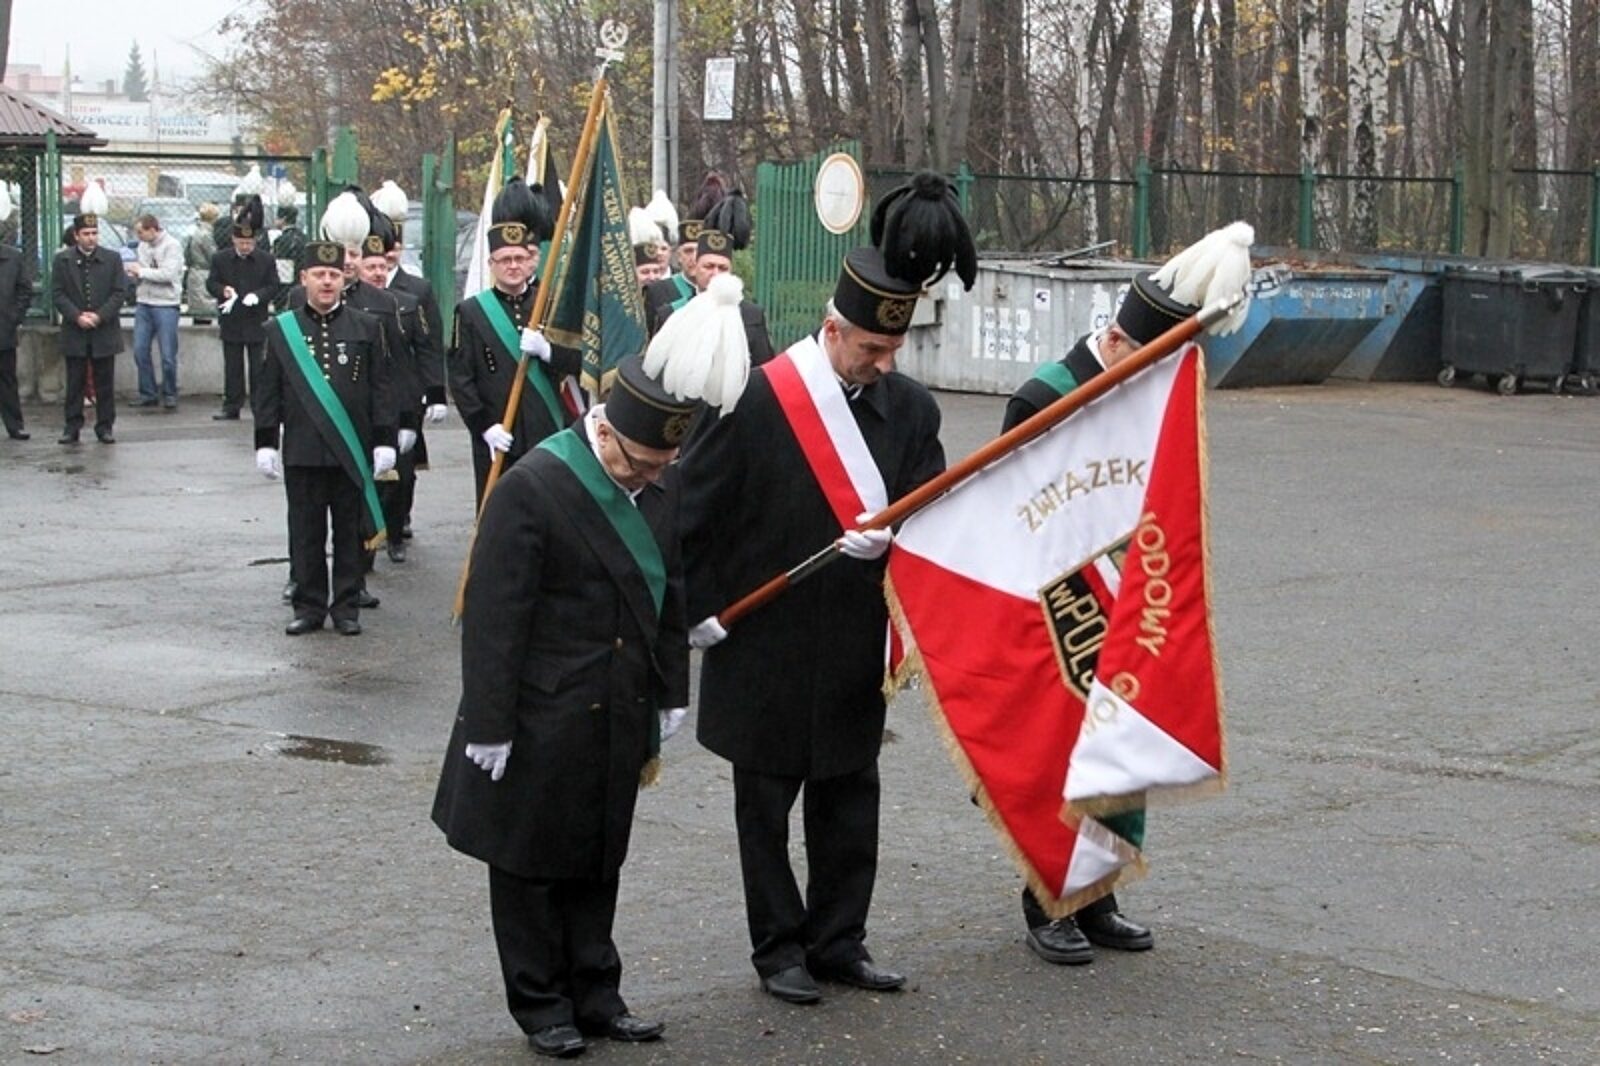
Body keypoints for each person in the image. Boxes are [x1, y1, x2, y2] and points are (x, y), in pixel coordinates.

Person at [678, 172, 975, 1005]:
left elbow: (932, 514)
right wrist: (695, 609)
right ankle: (778, 948)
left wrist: (898, 538)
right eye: (870, 349)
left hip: (850, 640)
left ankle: (840, 939)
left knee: (850, 801)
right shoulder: (754, 397)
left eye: (894, 351)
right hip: (761, 634)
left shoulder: (910, 411)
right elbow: (692, 510)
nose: (884, 365)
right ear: (832, 327)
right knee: (765, 809)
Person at [431, 353, 701, 1059]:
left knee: (599, 855)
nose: (651, 479)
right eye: (641, 465)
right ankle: (542, 1003)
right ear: (603, 432)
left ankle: (597, 994)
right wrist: (489, 722)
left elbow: (669, 591)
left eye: (663, 467)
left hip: (620, 701)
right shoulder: (535, 486)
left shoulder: (656, 480)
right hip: (542, 711)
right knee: (530, 862)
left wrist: (672, 688)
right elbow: (494, 615)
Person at [251, 240, 396, 636]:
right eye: (319, 274)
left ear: (344, 278)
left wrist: (384, 439)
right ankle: (309, 606)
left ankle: (346, 607)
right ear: (304, 278)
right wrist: (266, 442)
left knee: (350, 531)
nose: (327, 282)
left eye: (334, 274)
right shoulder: (281, 330)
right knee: (305, 532)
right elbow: (267, 392)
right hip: (302, 449)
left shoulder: (367, 327)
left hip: (351, 449)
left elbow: (381, 388)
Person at [446, 178, 571, 507]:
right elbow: (461, 379)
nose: (513, 266)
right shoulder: (471, 312)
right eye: (505, 260)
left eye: (519, 258)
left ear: (530, 261)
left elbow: (578, 359)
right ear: (491, 264)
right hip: (498, 433)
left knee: (547, 508)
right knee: (499, 511)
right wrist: (484, 427)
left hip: (546, 427)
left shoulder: (549, 304)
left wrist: (549, 351)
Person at [51, 209, 127, 444]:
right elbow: (58, 294)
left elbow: (119, 292)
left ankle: (105, 426)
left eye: (94, 233)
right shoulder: (63, 260)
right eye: (86, 233)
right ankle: (72, 426)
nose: (91, 238)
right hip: (75, 330)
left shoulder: (112, 258)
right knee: (75, 381)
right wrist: (76, 316)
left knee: (105, 382)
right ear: (76, 235)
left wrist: (99, 316)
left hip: (104, 330)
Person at [208, 196, 280, 420]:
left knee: (258, 368)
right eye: (242, 243)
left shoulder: (265, 260)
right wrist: (224, 291)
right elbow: (211, 283)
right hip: (232, 320)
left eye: (249, 243)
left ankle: (259, 407)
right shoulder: (220, 259)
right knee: (233, 367)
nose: (246, 247)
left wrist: (258, 296)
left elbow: (274, 285)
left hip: (256, 320)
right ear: (234, 240)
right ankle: (232, 405)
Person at [127, 214, 185, 410]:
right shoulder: (143, 247)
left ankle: (170, 392)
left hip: (166, 303)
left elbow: (168, 274)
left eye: (141, 232)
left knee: (167, 354)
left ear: (152, 229)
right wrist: (135, 275)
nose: (139, 236)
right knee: (140, 350)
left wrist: (142, 272)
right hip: (144, 302)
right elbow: (143, 271)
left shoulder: (172, 246)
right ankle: (148, 392)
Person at [0, 223, 36, 441]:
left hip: (3, 328)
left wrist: (13, 318)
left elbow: (25, 290)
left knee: (7, 379)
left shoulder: (13, 258)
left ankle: (15, 425)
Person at [184, 204, 219, 323]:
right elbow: (213, 255)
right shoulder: (206, 235)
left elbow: (187, 254)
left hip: (195, 272)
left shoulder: (196, 232)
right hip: (204, 272)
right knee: (205, 311)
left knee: (199, 311)